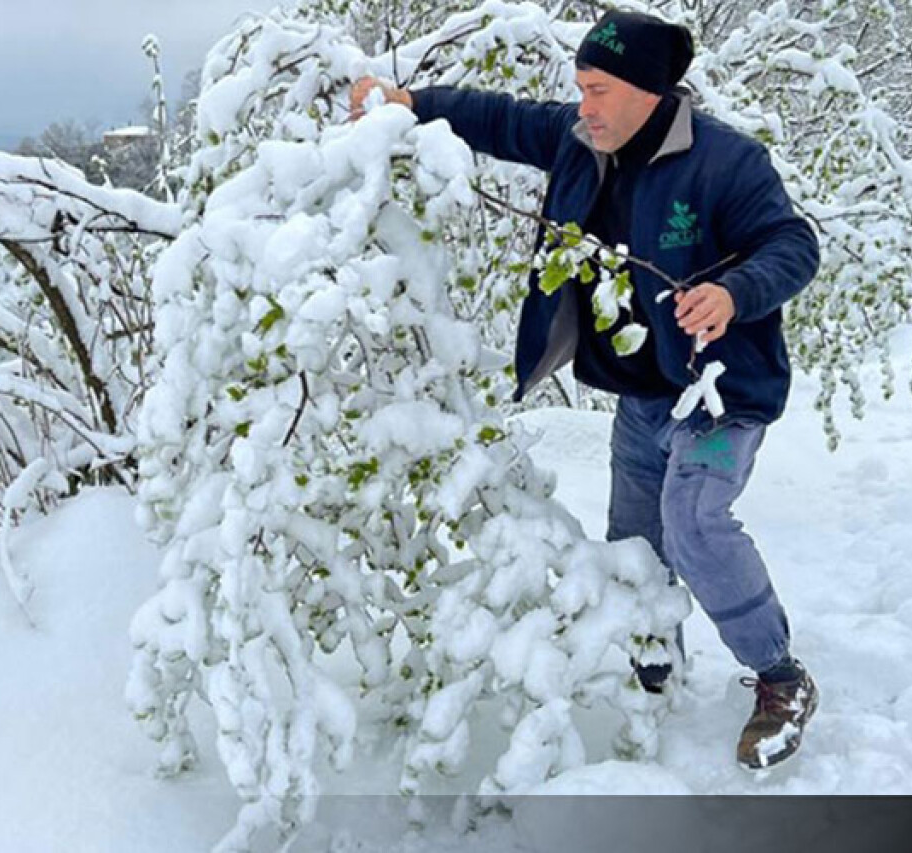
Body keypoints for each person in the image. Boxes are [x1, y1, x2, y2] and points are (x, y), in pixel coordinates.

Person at [351, 9, 821, 769]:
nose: (584, 106)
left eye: (599, 89)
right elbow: (499, 119)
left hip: (717, 393)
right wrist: (412, 103)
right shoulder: (580, 141)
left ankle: (780, 675)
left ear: (648, 92)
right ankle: (653, 667)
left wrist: (735, 292)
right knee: (636, 545)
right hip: (642, 396)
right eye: (580, 88)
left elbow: (794, 243)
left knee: (693, 520)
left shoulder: (727, 161)